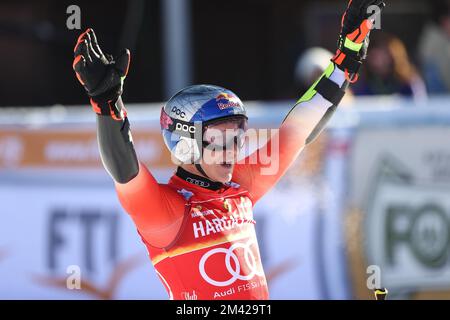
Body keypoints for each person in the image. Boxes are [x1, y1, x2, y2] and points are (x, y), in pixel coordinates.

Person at [72, 0, 386, 300]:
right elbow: (124, 170)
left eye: (236, 139)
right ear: (186, 143)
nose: (232, 151)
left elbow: (299, 129)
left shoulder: (241, 188)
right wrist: (107, 105)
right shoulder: (168, 213)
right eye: (220, 140)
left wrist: (347, 57)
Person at [352, 32, 428, 102]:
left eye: (383, 55)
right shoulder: (364, 85)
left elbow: (419, 107)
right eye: (374, 56)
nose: (378, 60)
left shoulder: (409, 83)